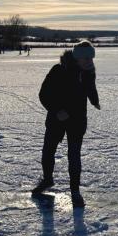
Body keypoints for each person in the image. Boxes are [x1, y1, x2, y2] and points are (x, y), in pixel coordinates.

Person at [32, 40, 100, 207]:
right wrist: (56, 110)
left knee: (74, 155)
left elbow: (90, 88)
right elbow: (43, 94)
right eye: (86, 59)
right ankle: (47, 180)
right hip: (57, 120)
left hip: (77, 120)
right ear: (77, 58)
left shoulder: (88, 72)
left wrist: (94, 101)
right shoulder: (58, 70)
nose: (90, 62)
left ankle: (75, 191)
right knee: (48, 151)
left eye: (91, 58)